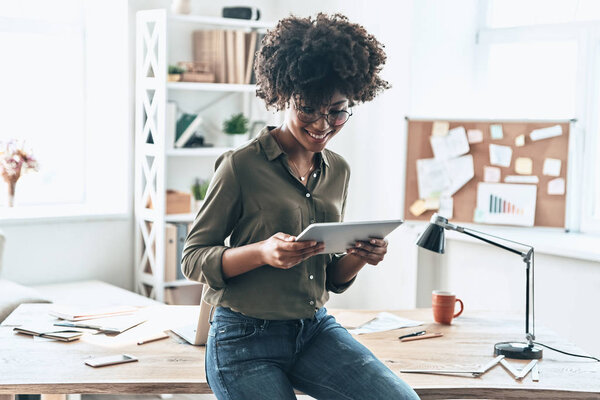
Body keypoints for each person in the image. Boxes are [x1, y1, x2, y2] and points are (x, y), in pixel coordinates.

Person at [182, 13, 420, 400]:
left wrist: (361, 256)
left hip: (314, 330)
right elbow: (192, 259)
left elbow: (330, 280)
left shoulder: (338, 170)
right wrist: (262, 253)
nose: (323, 124)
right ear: (285, 96)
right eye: (308, 109)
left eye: (338, 111)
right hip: (243, 339)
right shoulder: (240, 165)